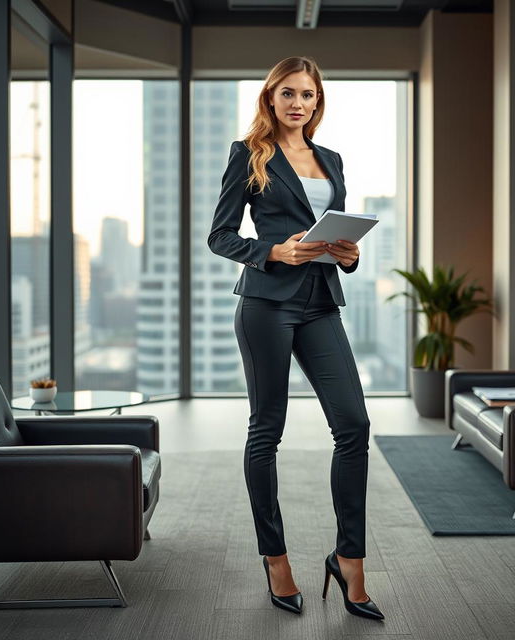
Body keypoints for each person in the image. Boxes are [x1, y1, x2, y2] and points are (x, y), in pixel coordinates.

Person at [207, 55, 384, 621]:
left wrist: (349, 253)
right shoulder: (250, 154)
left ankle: (349, 559)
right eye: (286, 93)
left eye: (306, 94)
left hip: (320, 302)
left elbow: (337, 232)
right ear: (270, 98)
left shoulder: (330, 159)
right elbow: (220, 235)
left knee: (353, 424)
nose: (296, 103)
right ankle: (275, 557)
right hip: (266, 304)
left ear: (317, 101)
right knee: (268, 431)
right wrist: (273, 250)